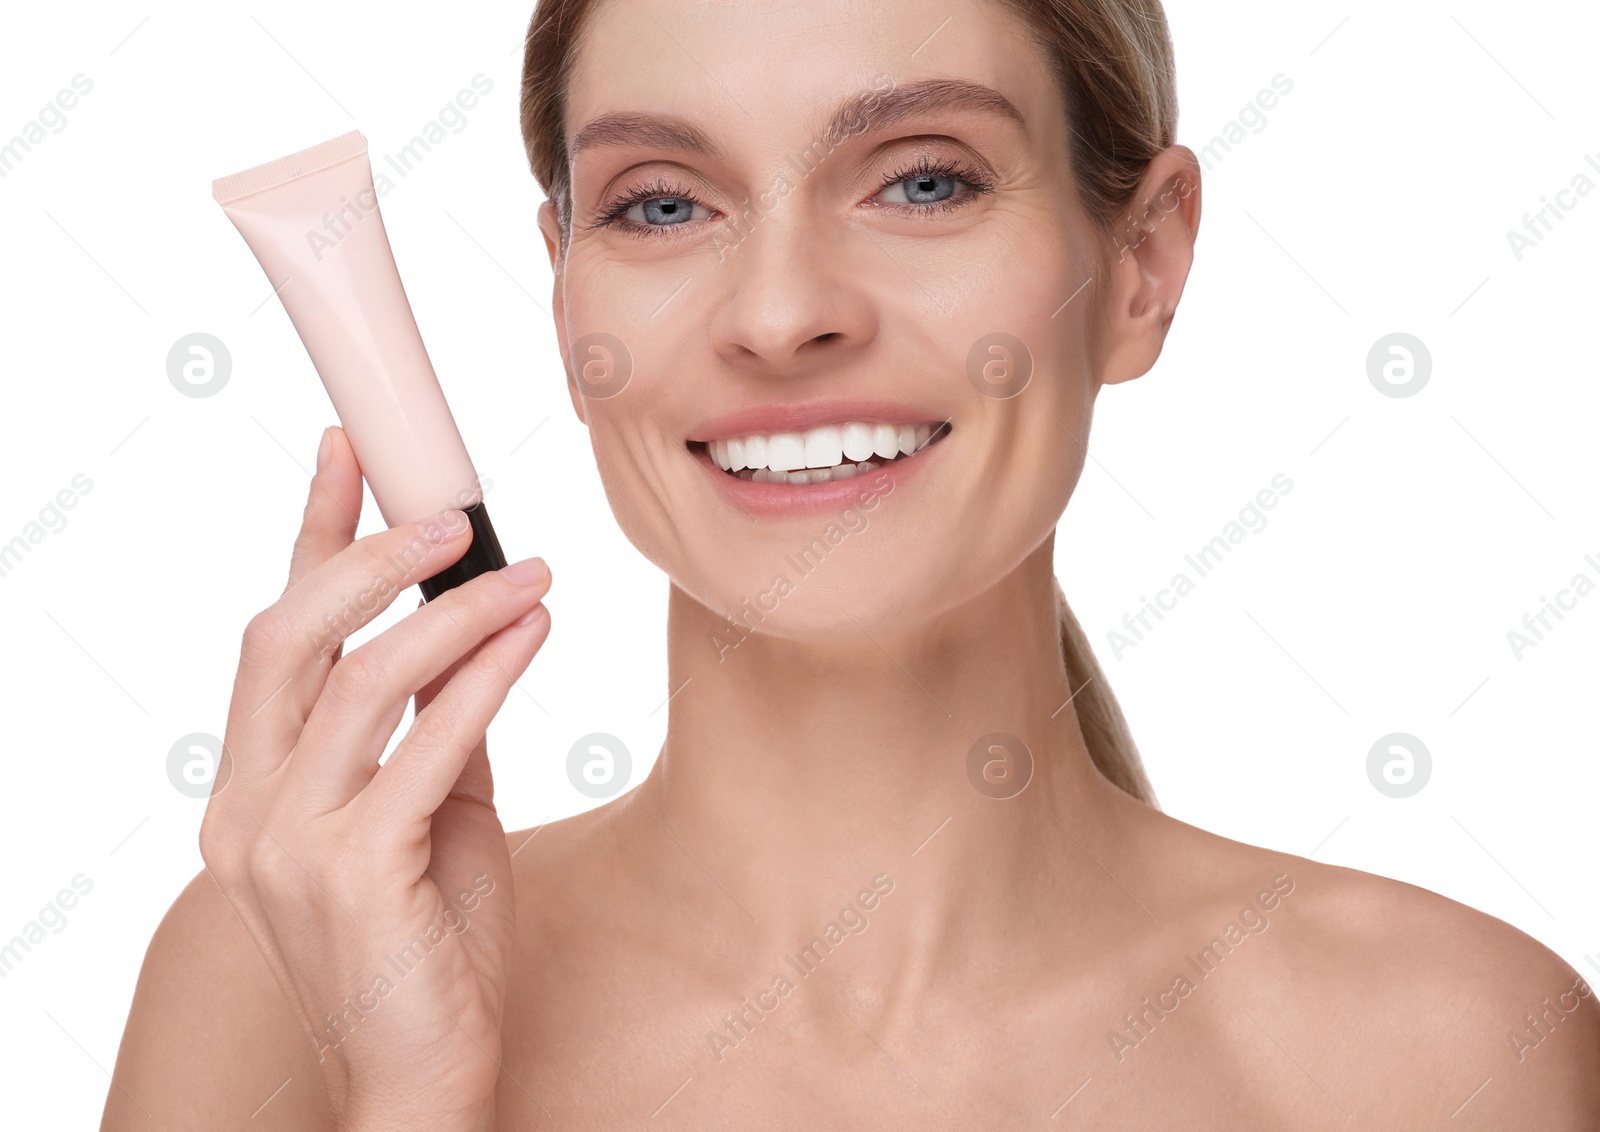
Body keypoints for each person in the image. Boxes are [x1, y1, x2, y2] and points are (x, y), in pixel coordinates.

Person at [103, 0, 1599, 1127]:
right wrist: (413, 1103)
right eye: (664, 205)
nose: (779, 311)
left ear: (1139, 266)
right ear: (566, 302)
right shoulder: (283, 977)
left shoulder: (1444, 1054)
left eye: (925, 179)